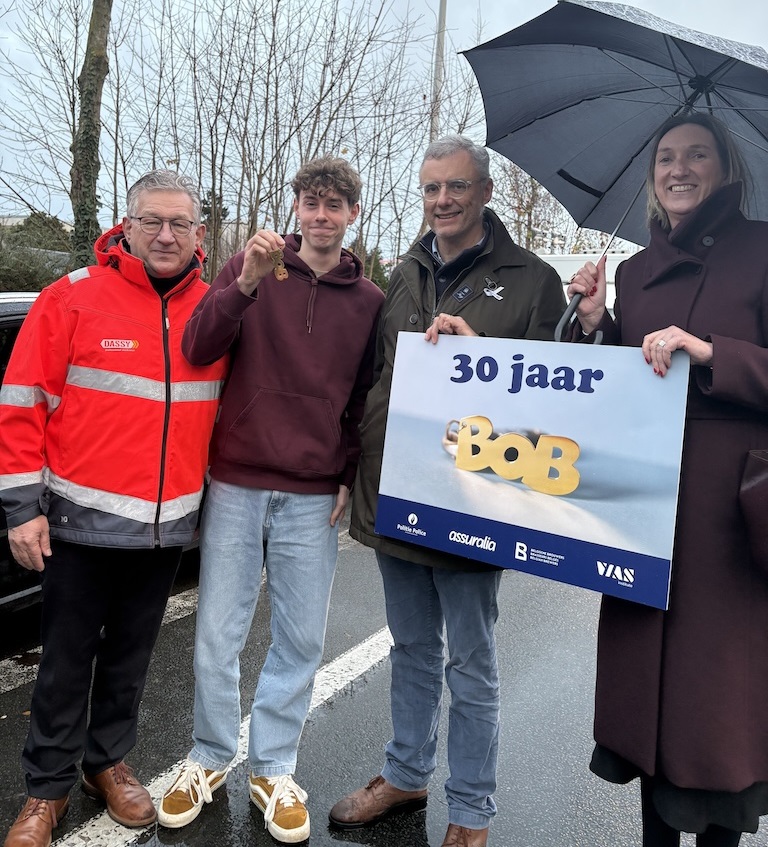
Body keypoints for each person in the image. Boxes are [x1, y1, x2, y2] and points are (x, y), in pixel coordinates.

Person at [328, 135, 566, 847]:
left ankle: (471, 809)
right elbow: (374, 373)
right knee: (410, 646)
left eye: (456, 187)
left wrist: (481, 359)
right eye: (431, 188)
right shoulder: (404, 270)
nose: (442, 201)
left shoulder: (533, 279)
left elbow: (560, 399)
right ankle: (405, 772)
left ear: (485, 192)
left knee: (471, 658)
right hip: (396, 489)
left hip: (474, 501)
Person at [157, 156, 384, 843]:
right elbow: (197, 345)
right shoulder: (250, 268)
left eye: (333, 204)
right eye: (310, 203)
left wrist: (346, 467)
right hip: (237, 478)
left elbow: (362, 394)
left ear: (352, 215)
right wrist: (246, 286)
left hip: (313, 490)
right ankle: (209, 754)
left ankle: (274, 766)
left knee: (300, 635)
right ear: (296, 209)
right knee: (218, 629)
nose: (320, 215)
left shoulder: (369, 301)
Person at [0, 170, 227, 847]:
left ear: (199, 235)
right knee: (66, 660)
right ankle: (46, 788)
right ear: (125, 226)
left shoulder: (213, 311)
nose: (165, 234)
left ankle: (106, 762)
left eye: (178, 224)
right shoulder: (70, 298)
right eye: (151, 221)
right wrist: (20, 508)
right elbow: (19, 403)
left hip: (165, 532)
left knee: (131, 657)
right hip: (78, 527)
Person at [566, 113, 768, 847]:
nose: (678, 169)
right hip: (645, 507)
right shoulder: (635, 269)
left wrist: (713, 352)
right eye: (666, 158)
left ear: (728, 168)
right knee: (647, 703)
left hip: (727, 514)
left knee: (714, 705)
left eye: (697, 156)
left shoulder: (762, 249)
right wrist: (596, 322)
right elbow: (624, 378)